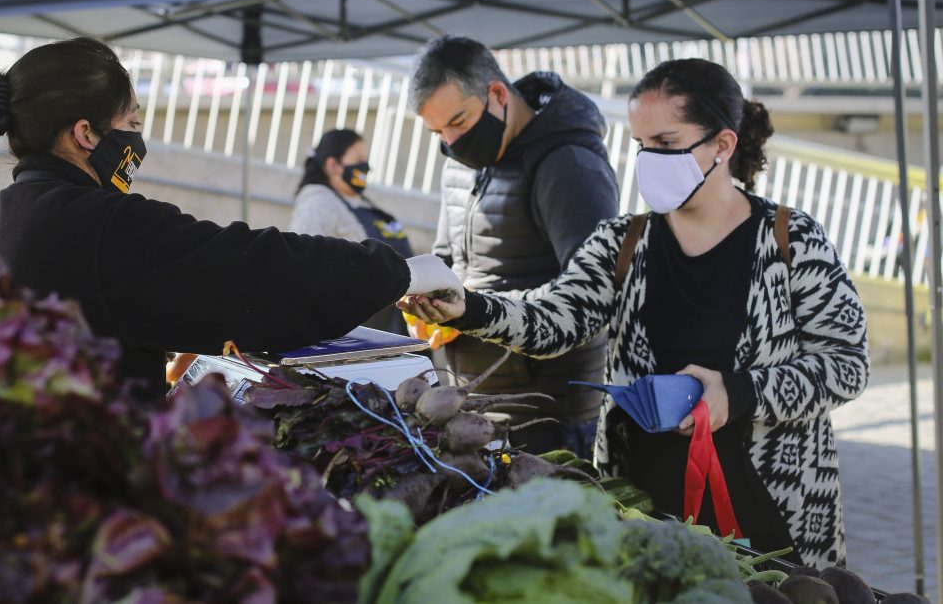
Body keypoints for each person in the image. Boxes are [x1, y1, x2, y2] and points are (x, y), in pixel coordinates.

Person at [400, 57, 869, 569]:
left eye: (666, 144)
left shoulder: (791, 240)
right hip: (648, 502)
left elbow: (846, 365)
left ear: (722, 145)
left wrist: (736, 393)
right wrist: (468, 308)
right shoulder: (624, 242)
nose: (650, 160)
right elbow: (555, 319)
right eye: (641, 146)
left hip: (775, 504)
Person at [0, 38, 459, 399]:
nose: (136, 140)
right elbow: (251, 269)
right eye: (131, 123)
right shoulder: (99, 223)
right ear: (85, 134)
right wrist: (399, 272)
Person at [410, 35, 620, 457]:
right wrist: (429, 306)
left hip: (549, 415)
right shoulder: (459, 164)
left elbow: (591, 301)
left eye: (459, 123)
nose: (450, 142)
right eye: (438, 131)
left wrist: (472, 310)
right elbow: (449, 255)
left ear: (498, 94)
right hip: (471, 403)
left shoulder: (568, 167)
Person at [289, 129, 413, 334]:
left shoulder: (358, 202)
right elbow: (302, 266)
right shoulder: (317, 203)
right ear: (333, 165)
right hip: (357, 332)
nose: (366, 167)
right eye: (359, 159)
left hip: (392, 324)